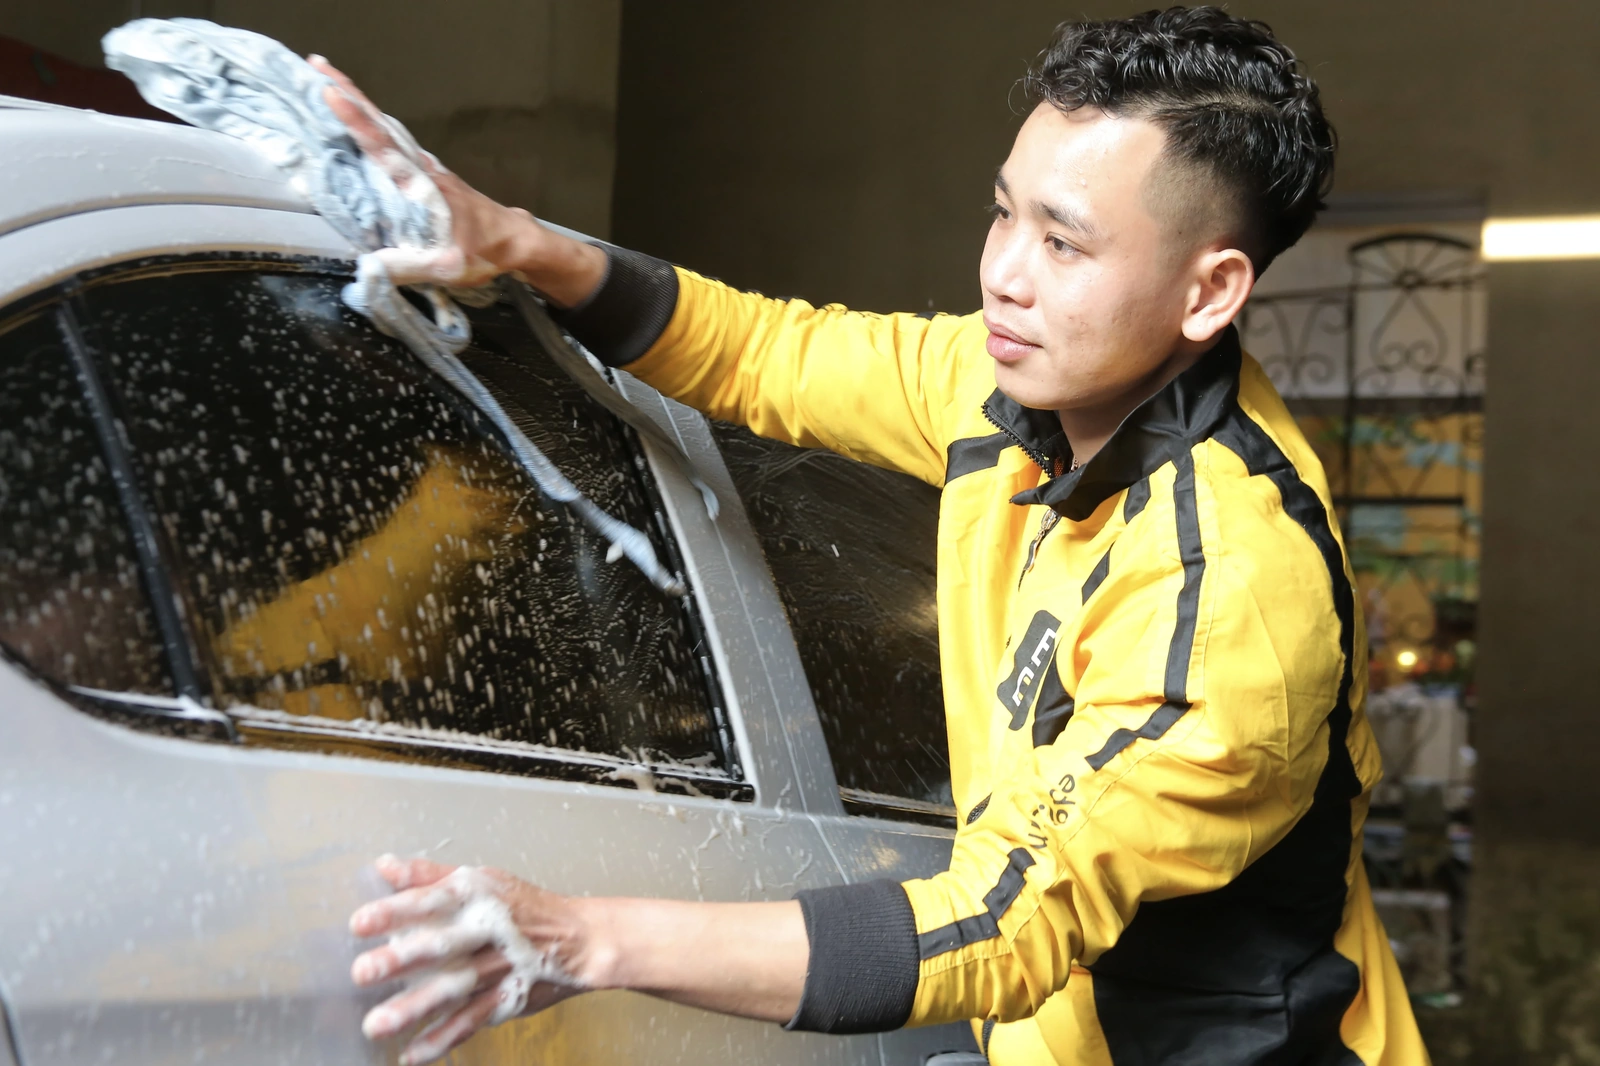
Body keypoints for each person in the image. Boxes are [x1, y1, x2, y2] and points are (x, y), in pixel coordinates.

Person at [317, 7, 1429, 1065]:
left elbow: (1004, 921)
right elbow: (764, 356)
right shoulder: (1000, 389)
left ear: (1208, 291)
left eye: (1064, 244)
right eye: (1003, 212)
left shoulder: (1227, 595)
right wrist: (517, 241)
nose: (1002, 272)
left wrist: (580, 939)